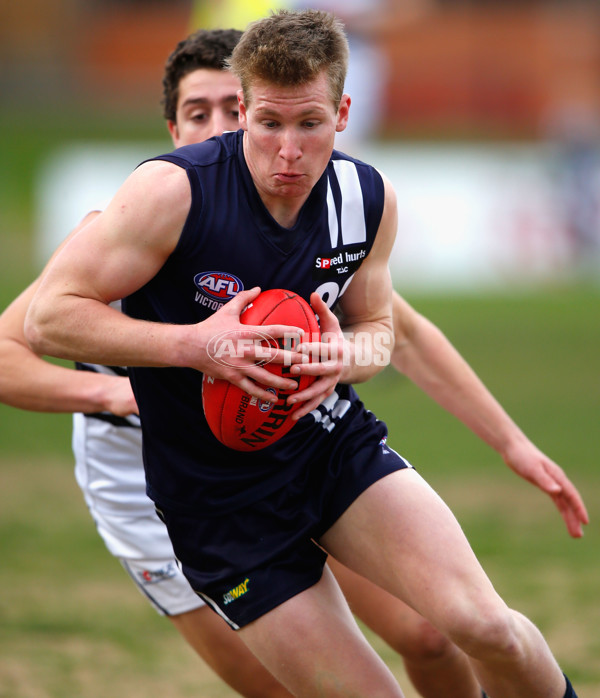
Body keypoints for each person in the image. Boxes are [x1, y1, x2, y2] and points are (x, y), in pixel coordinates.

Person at [24, 9, 586, 698]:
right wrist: (195, 345)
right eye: (268, 124)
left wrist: (341, 360)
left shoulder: (364, 197)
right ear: (248, 110)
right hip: (218, 507)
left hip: (329, 451)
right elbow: (47, 320)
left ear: (344, 111)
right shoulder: (171, 193)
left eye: (309, 124)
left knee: (484, 627)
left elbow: (382, 330)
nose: (287, 151)